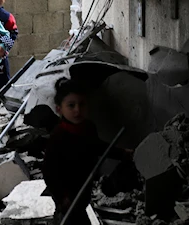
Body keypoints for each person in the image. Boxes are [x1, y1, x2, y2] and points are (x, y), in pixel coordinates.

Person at [42, 78, 132, 225]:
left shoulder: (88, 128)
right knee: (75, 219)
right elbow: (49, 172)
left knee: (80, 211)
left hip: (84, 186)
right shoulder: (58, 137)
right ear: (59, 109)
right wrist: (62, 197)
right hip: (66, 193)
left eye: (82, 104)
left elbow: (97, 147)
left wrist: (122, 153)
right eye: (71, 105)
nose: (77, 110)